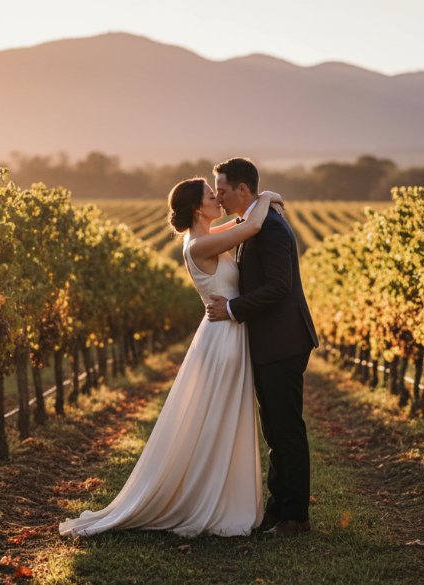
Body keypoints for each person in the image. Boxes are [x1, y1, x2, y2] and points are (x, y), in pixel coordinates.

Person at [59, 177, 284, 537]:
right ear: (197, 208)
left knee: (221, 415)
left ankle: (221, 494)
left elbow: (242, 223)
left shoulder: (203, 237)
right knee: (218, 417)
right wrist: (267, 195)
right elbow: (254, 224)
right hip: (223, 337)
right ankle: (209, 500)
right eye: (213, 196)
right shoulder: (199, 246)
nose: (219, 200)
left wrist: (256, 203)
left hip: (225, 332)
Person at [205, 157, 318, 536]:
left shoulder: (269, 227)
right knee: (273, 428)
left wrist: (232, 308)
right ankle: (278, 508)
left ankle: (295, 516)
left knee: (286, 429)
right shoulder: (255, 220)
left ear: (242, 189)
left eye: (221, 189)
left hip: (283, 341)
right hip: (270, 341)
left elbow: (279, 287)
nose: (218, 196)